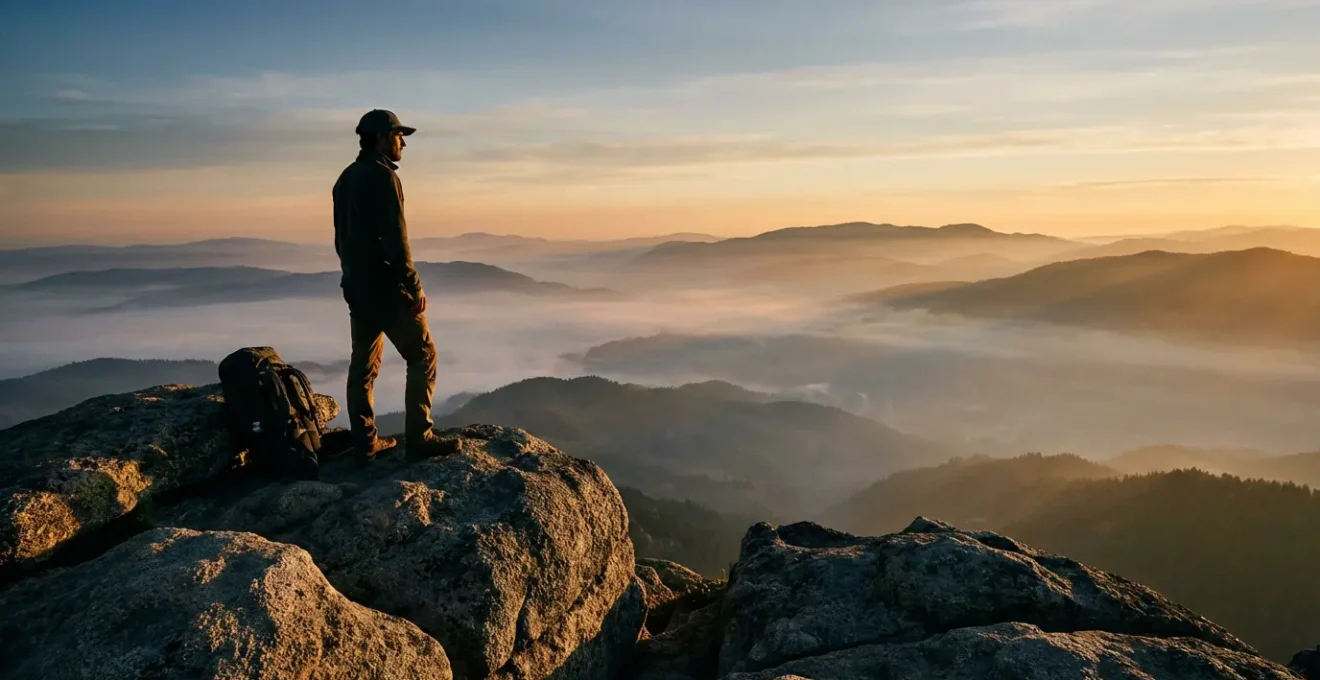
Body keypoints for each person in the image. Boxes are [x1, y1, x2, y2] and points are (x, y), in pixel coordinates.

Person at [332, 109, 448, 461]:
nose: (403, 143)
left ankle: (365, 442)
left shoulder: (346, 178)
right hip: (384, 286)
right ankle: (420, 438)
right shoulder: (383, 177)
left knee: (363, 366)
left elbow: (342, 238)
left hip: (356, 284)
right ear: (382, 137)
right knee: (423, 354)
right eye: (399, 136)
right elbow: (396, 240)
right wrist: (413, 286)